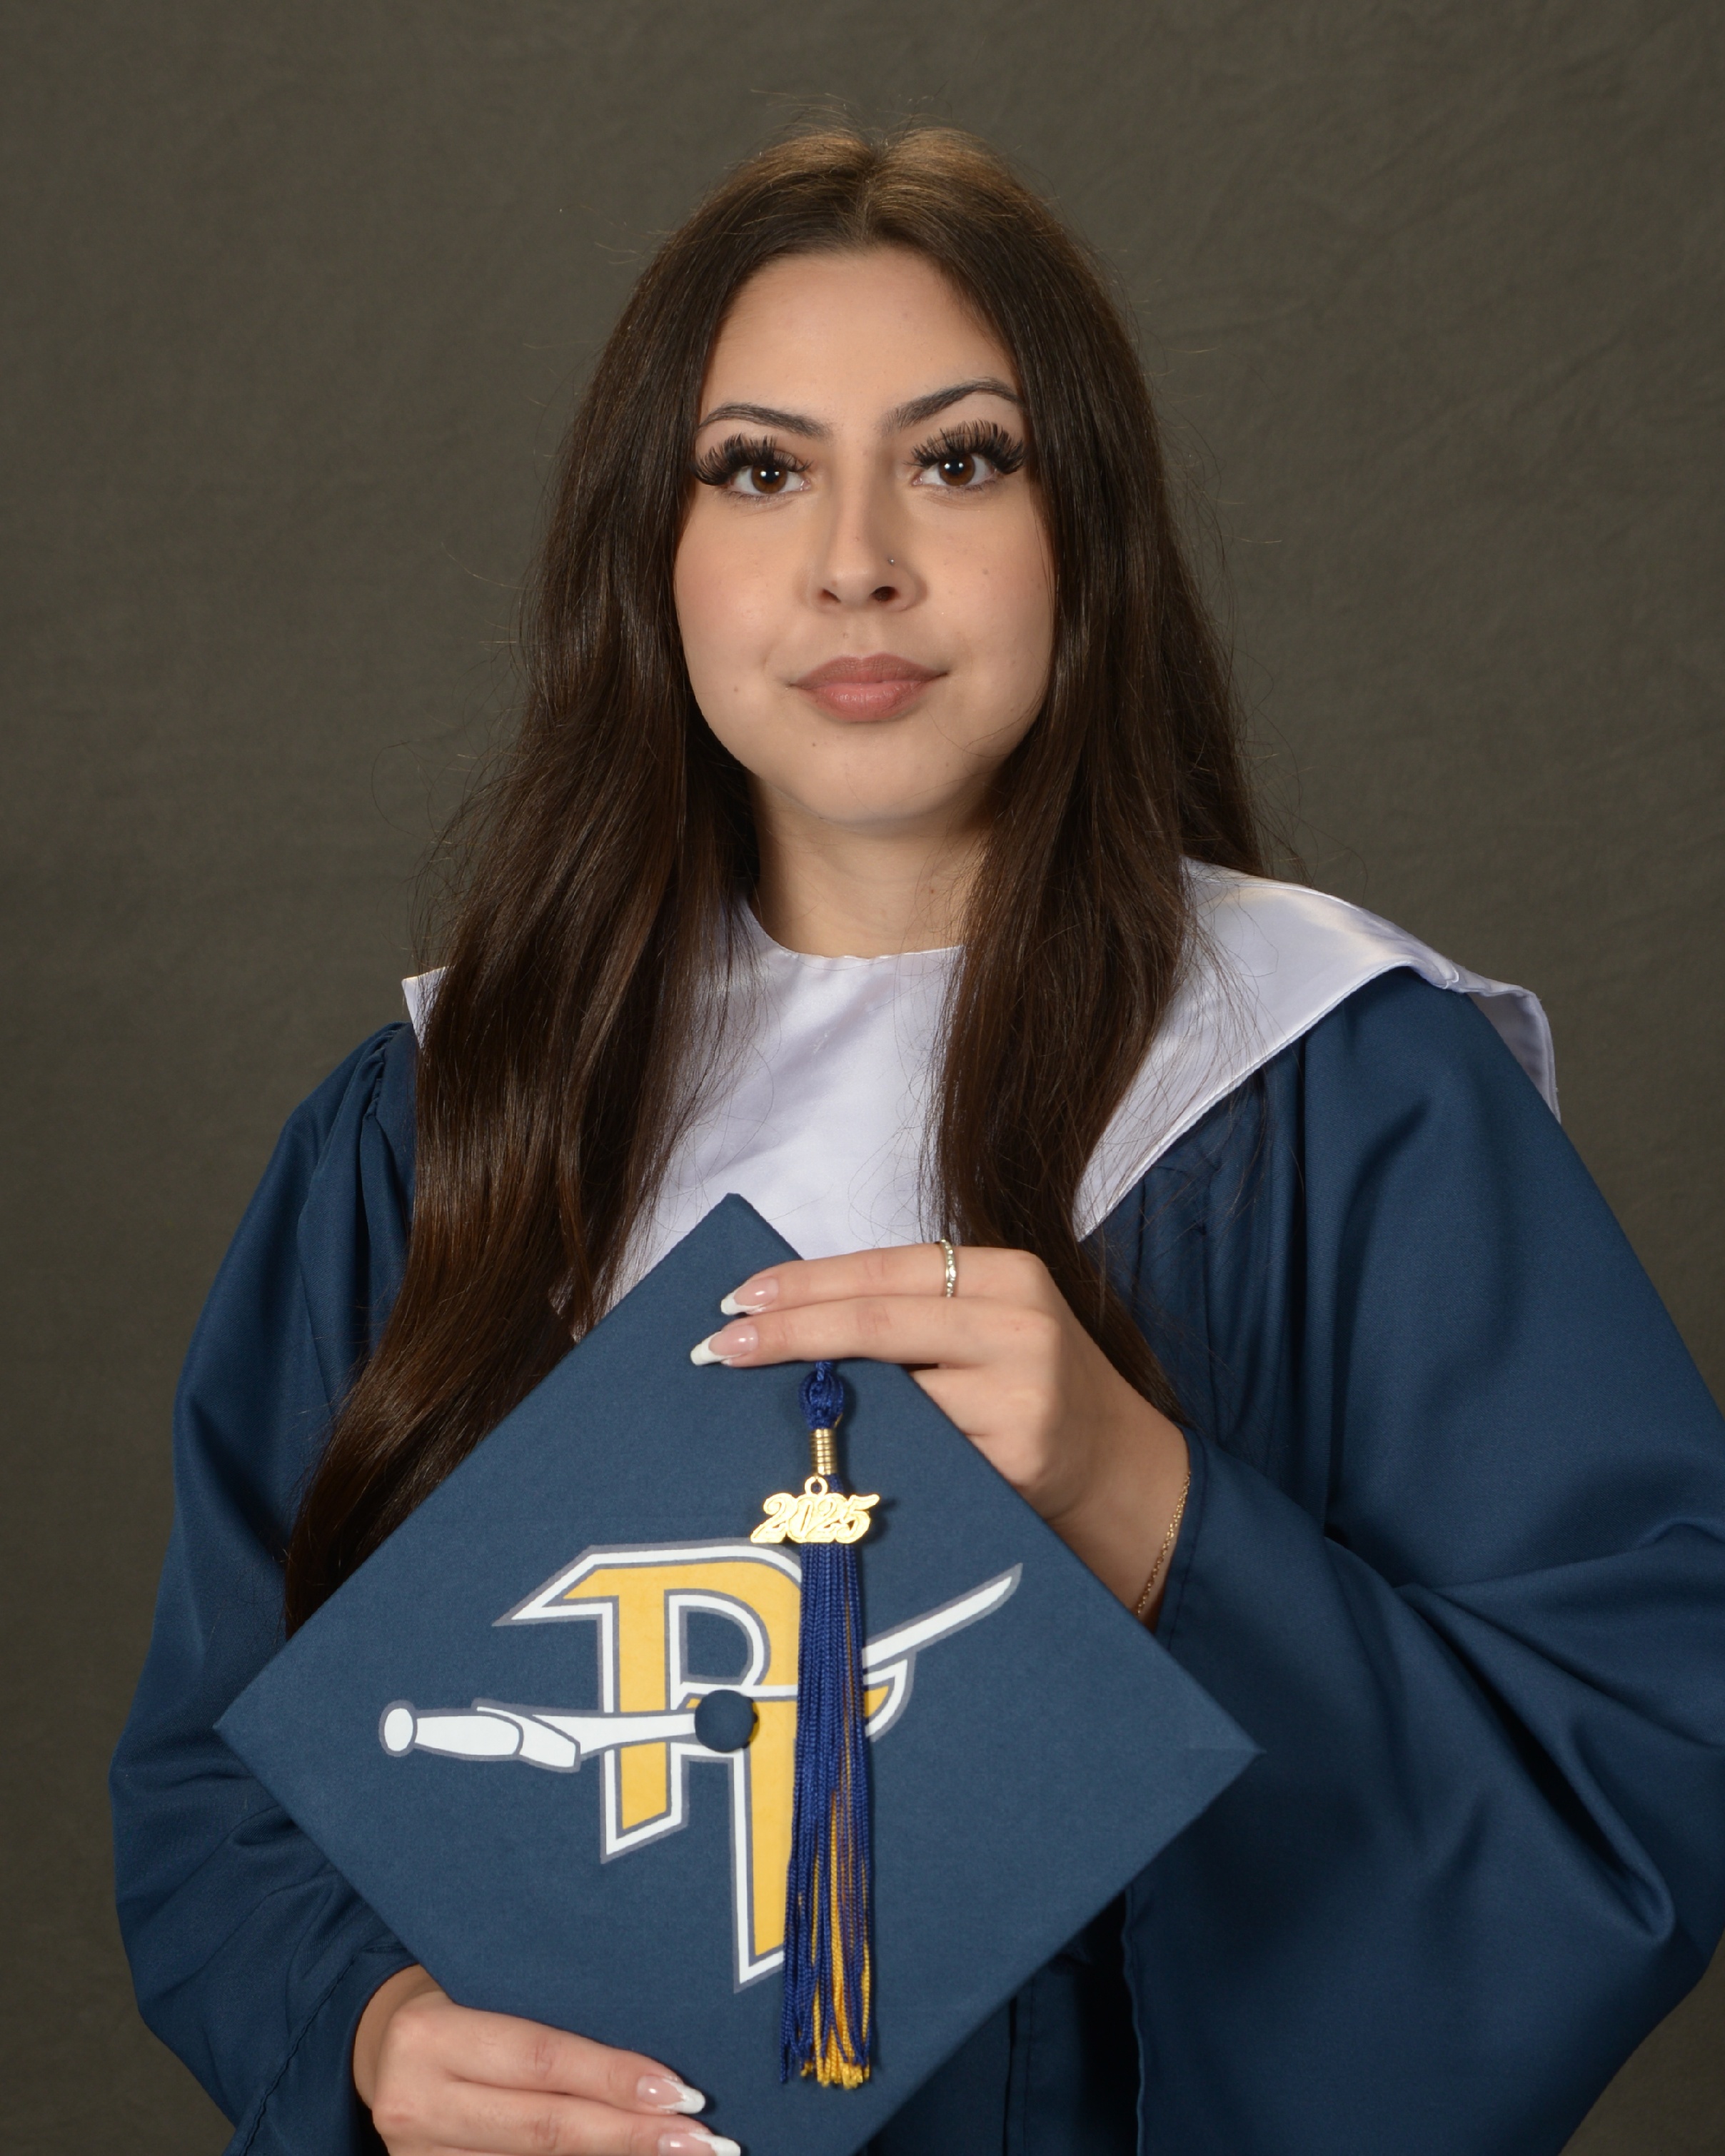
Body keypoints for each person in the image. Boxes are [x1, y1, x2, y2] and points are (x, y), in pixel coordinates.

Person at [110, 123, 1725, 2156]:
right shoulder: (450, 1121)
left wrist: (1147, 1501)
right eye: (757, 469)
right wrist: (367, 2026)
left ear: (1088, 533)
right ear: (649, 553)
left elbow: (1636, 1773)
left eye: (962, 460)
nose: (854, 560)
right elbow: (218, 1782)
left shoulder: (1334, 1093)